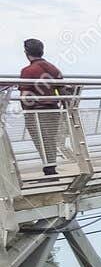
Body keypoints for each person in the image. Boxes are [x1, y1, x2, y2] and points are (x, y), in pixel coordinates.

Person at [17, 38, 70, 176]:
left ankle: (50, 170)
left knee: (42, 140)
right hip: (53, 109)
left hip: (36, 111)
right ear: (42, 51)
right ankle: (50, 168)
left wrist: (25, 111)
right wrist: (68, 111)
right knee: (50, 139)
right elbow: (63, 90)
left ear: (26, 52)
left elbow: (25, 94)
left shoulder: (27, 71)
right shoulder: (53, 68)